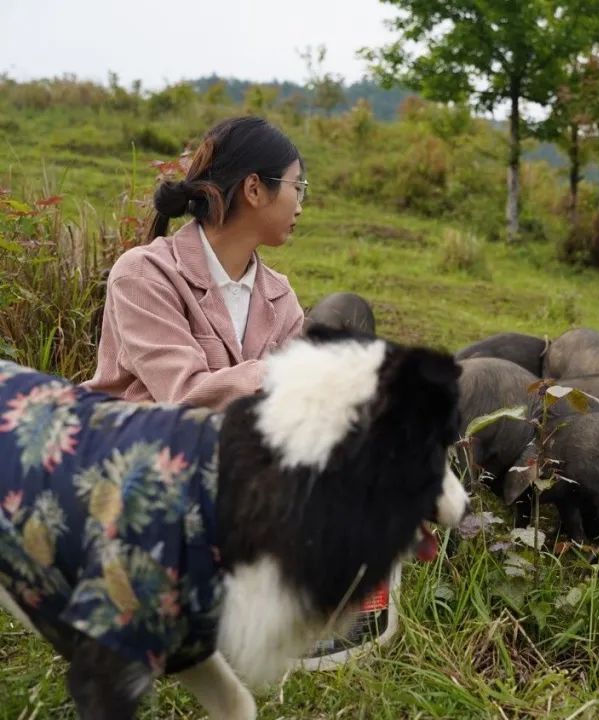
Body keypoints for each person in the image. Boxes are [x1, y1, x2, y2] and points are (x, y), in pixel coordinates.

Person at [84, 115, 394, 669]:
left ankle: (324, 616)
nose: (302, 202)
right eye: (298, 186)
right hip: (138, 464)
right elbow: (186, 397)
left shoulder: (279, 294)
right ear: (255, 189)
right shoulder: (144, 274)